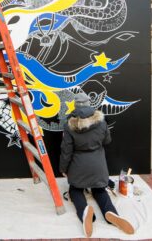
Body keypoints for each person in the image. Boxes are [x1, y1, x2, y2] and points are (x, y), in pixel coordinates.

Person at [60, 92, 134, 237]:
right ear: (89, 104)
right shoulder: (101, 121)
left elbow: (66, 150)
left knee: (75, 190)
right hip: (98, 166)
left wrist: (63, 168)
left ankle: (85, 212)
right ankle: (111, 213)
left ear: (75, 106)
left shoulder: (69, 125)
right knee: (100, 190)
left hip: (78, 167)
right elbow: (107, 141)